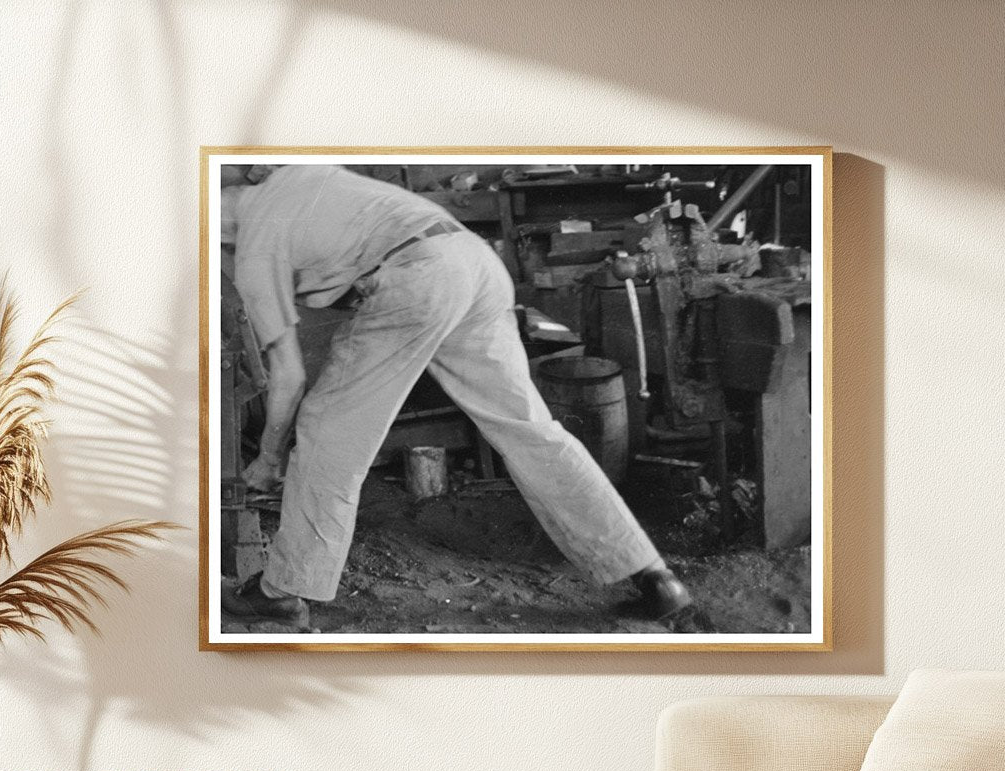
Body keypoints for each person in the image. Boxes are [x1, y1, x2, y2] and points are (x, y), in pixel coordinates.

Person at [219, 164, 690, 629]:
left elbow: (288, 376)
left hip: (416, 275)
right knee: (529, 430)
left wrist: (268, 458)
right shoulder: (296, 177)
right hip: (475, 263)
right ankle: (652, 574)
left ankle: (283, 592)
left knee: (327, 429)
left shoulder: (255, 248)